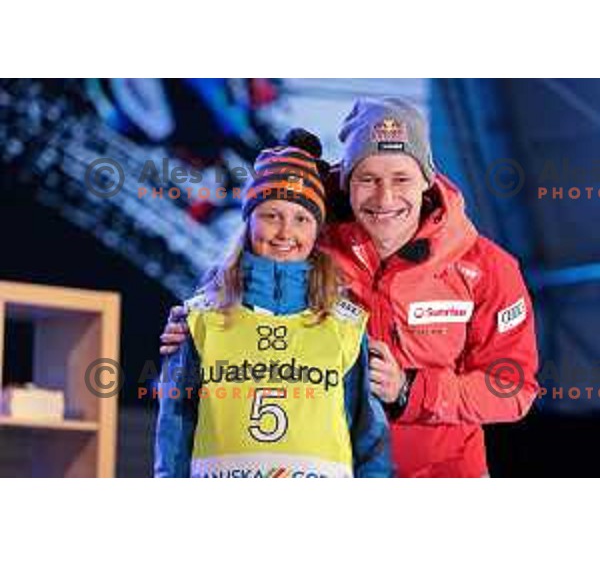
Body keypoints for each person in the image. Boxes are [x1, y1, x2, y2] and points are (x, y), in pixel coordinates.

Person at [161, 98, 540, 478]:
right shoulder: (312, 236)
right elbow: (241, 279)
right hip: (326, 469)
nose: (385, 198)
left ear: (427, 179)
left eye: (401, 178)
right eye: (368, 179)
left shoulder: (486, 267)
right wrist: (192, 327)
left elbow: (514, 388)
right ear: (346, 179)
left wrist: (411, 391)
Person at [154, 135, 392, 478]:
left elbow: (371, 443)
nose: (285, 232)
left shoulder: (347, 326)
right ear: (248, 220)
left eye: (302, 219)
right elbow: (174, 433)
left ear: (317, 230)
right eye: (271, 215)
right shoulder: (198, 321)